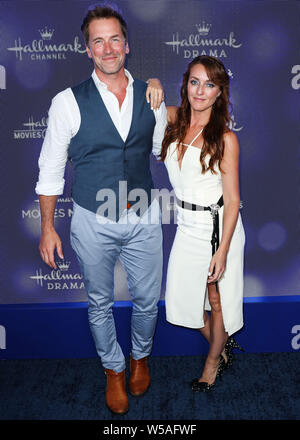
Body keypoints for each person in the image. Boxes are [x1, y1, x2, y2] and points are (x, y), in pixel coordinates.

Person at [35, 3, 166, 414]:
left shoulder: (152, 95)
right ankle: (113, 369)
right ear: (88, 50)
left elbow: (162, 150)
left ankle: (139, 357)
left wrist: (162, 95)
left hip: (144, 213)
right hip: (93, 218)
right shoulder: (66, 103)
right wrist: (47, 227)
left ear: (126, 45)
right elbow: (51, 169)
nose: (107, 48)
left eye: (114, 39)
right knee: (99, 302)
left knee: (147, 299)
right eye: (98, 41)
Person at [161, 55, 245, 391]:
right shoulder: (172, 120)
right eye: (194, 81)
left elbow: (234, 200)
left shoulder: (226, 139)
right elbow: (138, 100)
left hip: (217, 226)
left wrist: (222, 251)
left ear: (219, 92)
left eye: (209, 84)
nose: (200, 90)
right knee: (185, 297)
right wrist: (152, 84)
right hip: (187, 225)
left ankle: (212, 364)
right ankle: (221, 344)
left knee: (216, 298)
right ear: (185, 84)